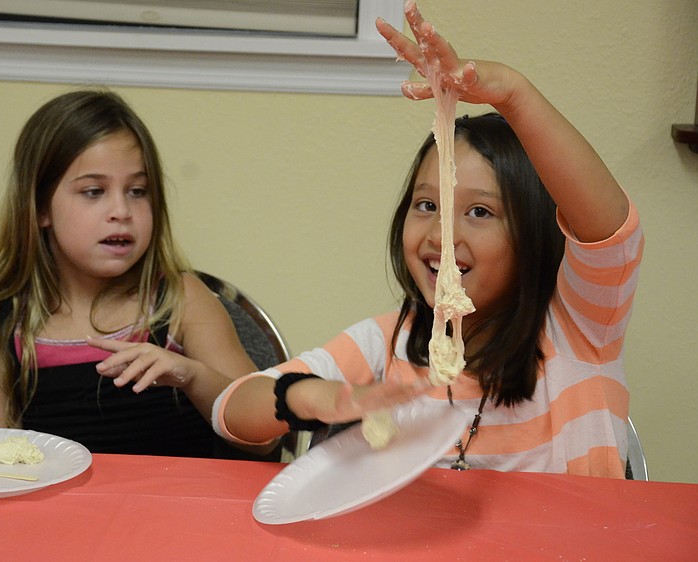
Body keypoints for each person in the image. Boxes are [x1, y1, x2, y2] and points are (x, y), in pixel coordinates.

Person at [212, 2, 643, 478]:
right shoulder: (389, 340)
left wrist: (514, 96)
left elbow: (608, 228)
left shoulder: (579, 328)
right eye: (427, 206)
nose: (442, 234)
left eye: (479, 212)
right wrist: (312, 395)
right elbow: (232, 412)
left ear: (533, 232)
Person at [0, 89, 276, 460]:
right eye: (94, 191)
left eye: (137, 191)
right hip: (61, 518)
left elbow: (265, 434)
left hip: (178, 513)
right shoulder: (3, 325)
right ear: (39, 209)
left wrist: (191, 376)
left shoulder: (183, 300)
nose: (121, 210)